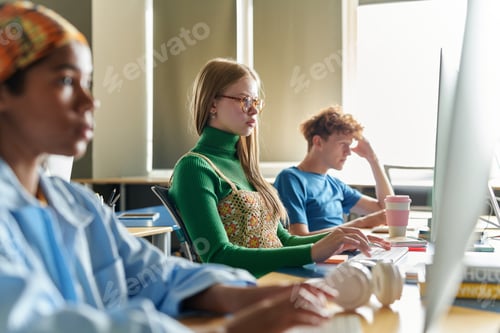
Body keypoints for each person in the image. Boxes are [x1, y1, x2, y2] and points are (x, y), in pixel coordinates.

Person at [0, 2, 338, 332]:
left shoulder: (77, 205)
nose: (90, 102)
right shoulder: (195, 167)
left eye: (87, 84)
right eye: (65, 82)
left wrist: (252, 297)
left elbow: (156, 274)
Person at [168, 57, 390, 278]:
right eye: (244, 100)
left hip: (279, 278)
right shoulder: (194, 169)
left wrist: (343, 236)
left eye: (256, 102)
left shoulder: (246, 168)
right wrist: (314, 251)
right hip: (248, 290)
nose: (254, 111)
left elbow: (283, 241)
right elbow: (218, 256)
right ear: (212, 104)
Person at [273, 106, 394, 236]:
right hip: (318, 256)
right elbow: (298, 237)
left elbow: (390, 210)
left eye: (349, 145)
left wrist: (373, 159)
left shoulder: (335, 185)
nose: (348, 153)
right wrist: (360, 223)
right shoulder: (291, 179)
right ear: (318, 142)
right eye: (343, 144)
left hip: (343, 253)